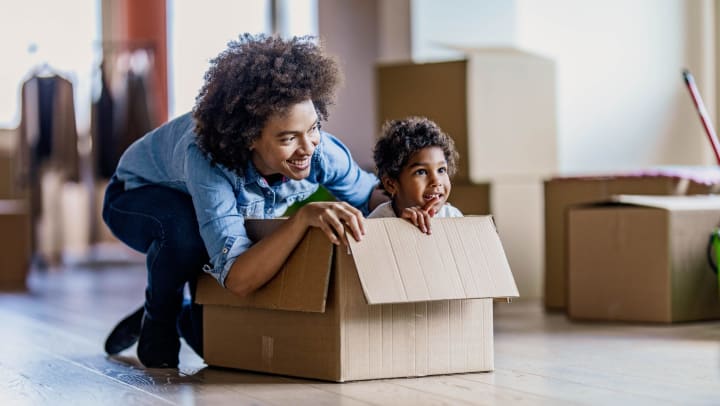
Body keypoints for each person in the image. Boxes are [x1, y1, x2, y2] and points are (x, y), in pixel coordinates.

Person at [102, 34, 386, 368]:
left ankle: (178, 308)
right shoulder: (208, 159)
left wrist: (414, 201)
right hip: (134, 198)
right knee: (183, 232)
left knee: (219, 349)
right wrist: (301, 218)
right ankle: (158, 320)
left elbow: (369, 194)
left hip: (199, 214)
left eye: (313, 128)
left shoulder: (319, 151)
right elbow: (238, 278)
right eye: (288, 138)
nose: (307, 147)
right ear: (250, 136)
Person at [368, 117, 462, 230]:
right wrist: (401, 228)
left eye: (441, 170)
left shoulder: (452, 217)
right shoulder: (376, 224)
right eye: (421, 172)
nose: (436, 181)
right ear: (391, 184)